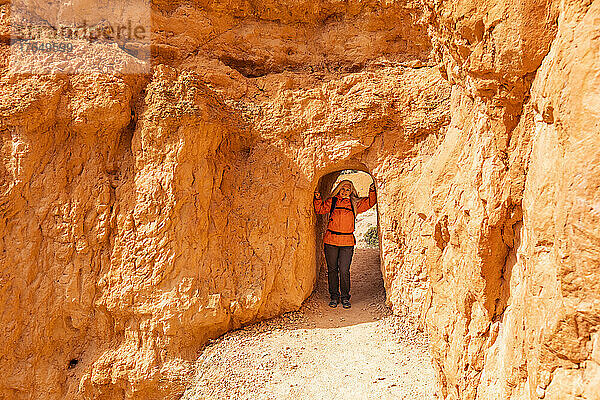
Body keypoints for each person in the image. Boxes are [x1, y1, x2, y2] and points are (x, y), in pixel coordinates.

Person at [313, 179, 377, 309]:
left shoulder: (354, 203)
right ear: (338, 189)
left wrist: (372, 190)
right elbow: (320, 209)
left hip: (347, 242)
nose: (345, 191)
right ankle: (334, 297)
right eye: (342, 189)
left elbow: (370, 202)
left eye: (348, 189)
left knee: (344, 270)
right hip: (331, 240)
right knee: (332, 270)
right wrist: (317, 198)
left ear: (351, 191)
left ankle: (345, 297)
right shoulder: (333, 201)